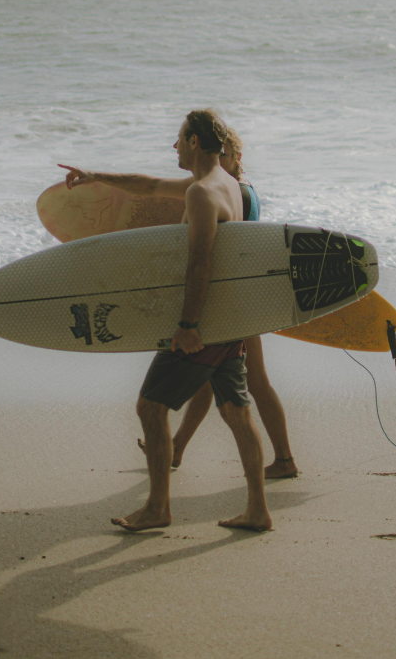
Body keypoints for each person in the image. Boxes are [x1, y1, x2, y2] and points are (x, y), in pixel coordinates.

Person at [59, 109, 272, 533]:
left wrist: (189, 326)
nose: (174, 146)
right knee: (237, 411)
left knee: (151, 407)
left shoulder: (201, 193)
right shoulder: (225, 184)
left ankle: (157, 507)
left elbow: (201, 262)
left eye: (179, 138)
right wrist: (95, 175)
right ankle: (258, 509)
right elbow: (149, 186)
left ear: (194, 142)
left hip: (204, 323)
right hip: (228, 319)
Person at [160, 124, 299, 479]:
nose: (219, 161)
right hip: (233, 301)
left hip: (239, 302)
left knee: (255, 383)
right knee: (211, 379)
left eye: (226, 156)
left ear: (237, 158)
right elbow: (153, 186)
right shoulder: (229, 189)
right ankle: (177, 448)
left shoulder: (239, 192)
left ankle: (284, 459)